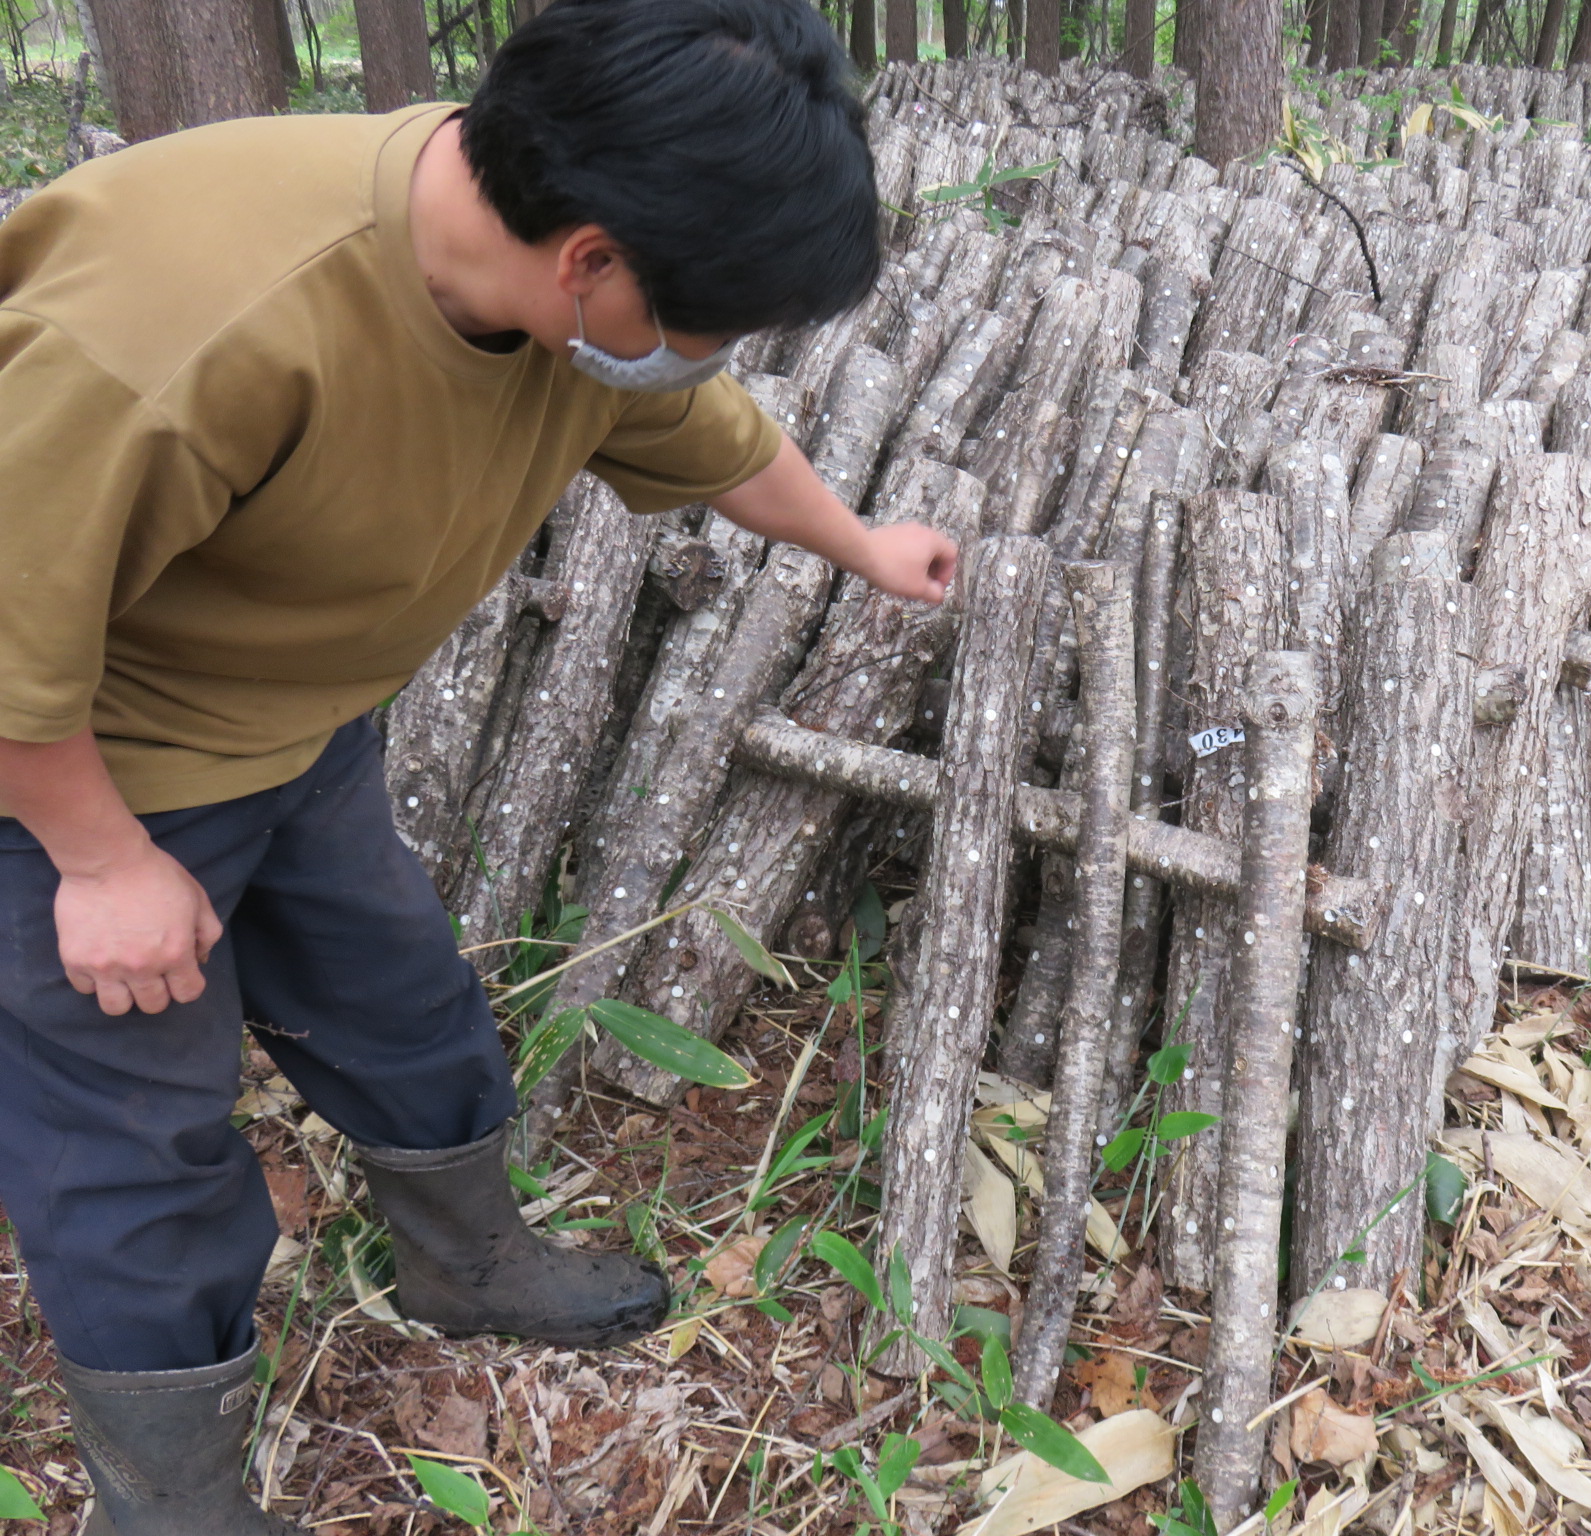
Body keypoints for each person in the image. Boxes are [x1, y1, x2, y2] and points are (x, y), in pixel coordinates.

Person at [0, 1, 955, 1530]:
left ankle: (466, 1257)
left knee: (400, 996)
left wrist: (859, 542)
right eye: (703, 320)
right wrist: (103, 861)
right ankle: (167, 1498)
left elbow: (706, 432)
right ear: (588, 257)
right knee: (135, 1141)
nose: (706, 358)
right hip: (74, 773)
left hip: (297, 734)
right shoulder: (183, 325)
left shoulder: (548, 280)